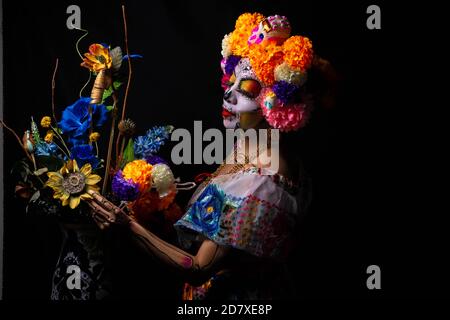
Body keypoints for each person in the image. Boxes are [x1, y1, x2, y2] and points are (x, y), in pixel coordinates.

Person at [87, 12, 327, 299]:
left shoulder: (262, 185)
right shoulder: (249, 149)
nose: (228, 94)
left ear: (275, 104)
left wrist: (127, 227)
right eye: (232, 82)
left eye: (247, 88)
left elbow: (198, 267)